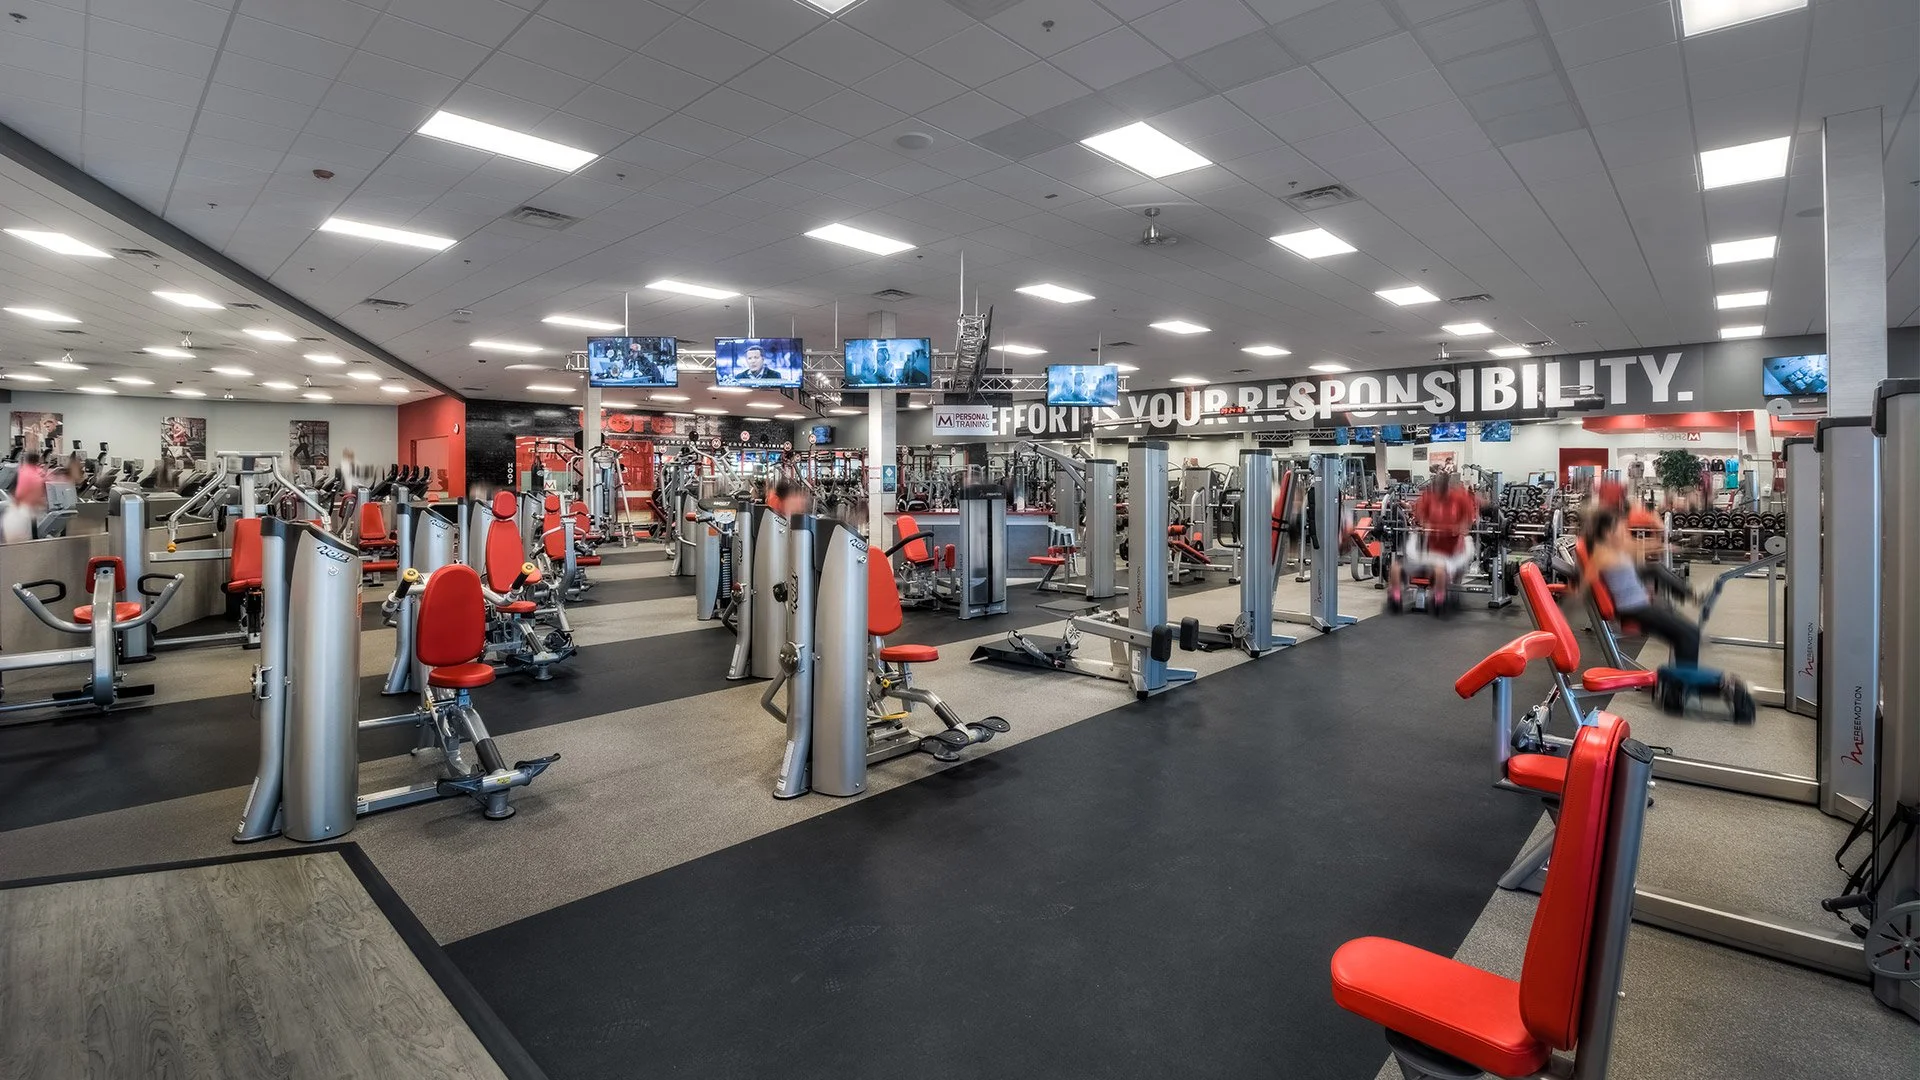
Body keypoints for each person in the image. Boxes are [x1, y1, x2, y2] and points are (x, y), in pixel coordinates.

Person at [1579, 506, 1701, 668]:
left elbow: (1644, 547)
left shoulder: (1612, 548)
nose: (1625, 531)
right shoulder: (1604, 554)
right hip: (1634, 610)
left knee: (1687, 633)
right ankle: (1682, 684)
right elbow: (1588, 582)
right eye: (1620, 528)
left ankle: (1680, 684)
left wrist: (1660, 536)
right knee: (1690, 635)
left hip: (1639, 604)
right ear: (1608, 532)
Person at [1388, 469, 1479, 609]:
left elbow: (1468, 521)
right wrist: (1422, 524)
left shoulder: (1460, 498)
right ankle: (1395, 599)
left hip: (1453, 554)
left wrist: (1459, 528)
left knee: (1440, 570)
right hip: (1431, 553)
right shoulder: (1429, 497)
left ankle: (1439, 601)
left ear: (1447, 486)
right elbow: (1420, 517)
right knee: (1395, 568)